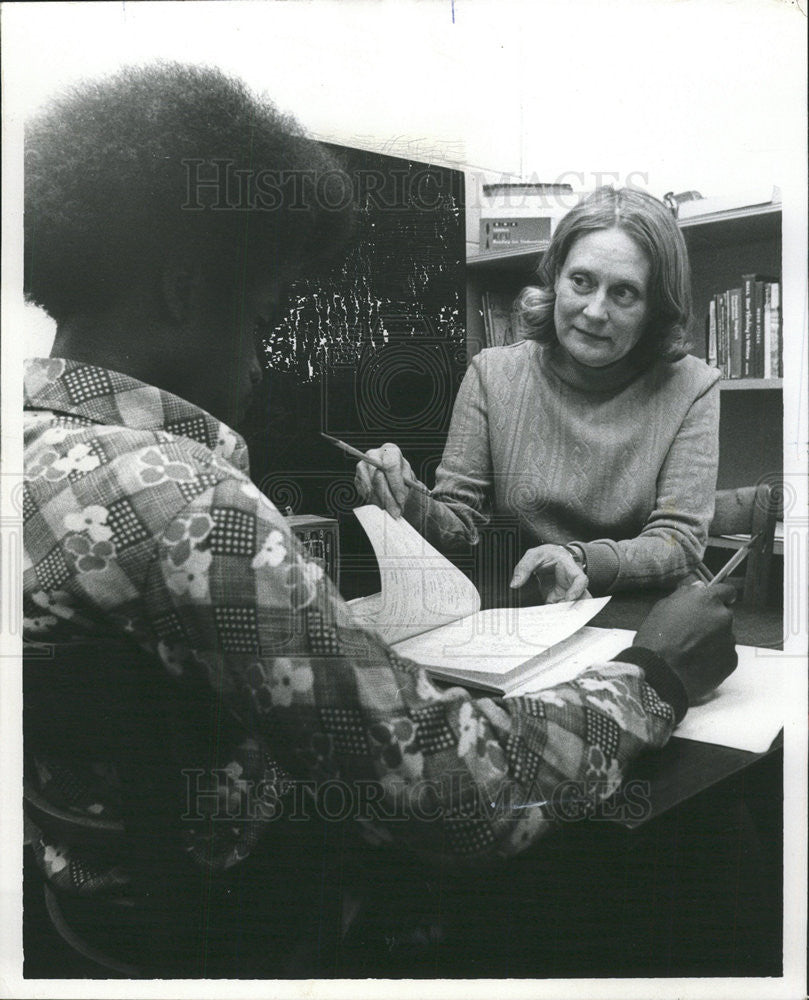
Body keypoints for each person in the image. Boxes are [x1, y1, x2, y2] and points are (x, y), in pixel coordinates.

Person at [23, 63, 738, 976]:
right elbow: (452, 793)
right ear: (184, 290)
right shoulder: (189, 502)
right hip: (241, 920)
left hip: (85, 913)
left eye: (624, 293)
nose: (261, 356)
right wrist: (656, 677)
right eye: (266, 312)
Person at [356, 187, 720, 604]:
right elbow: (460, 525)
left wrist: (578, 559)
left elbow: (678, 541)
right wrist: (404, 496)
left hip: (641, 615)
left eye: (624, 292)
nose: (595, 311)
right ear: (556, 278)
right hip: (529, 610)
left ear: (655, 306)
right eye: (581, 282)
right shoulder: (493, 373)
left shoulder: (692, 385)